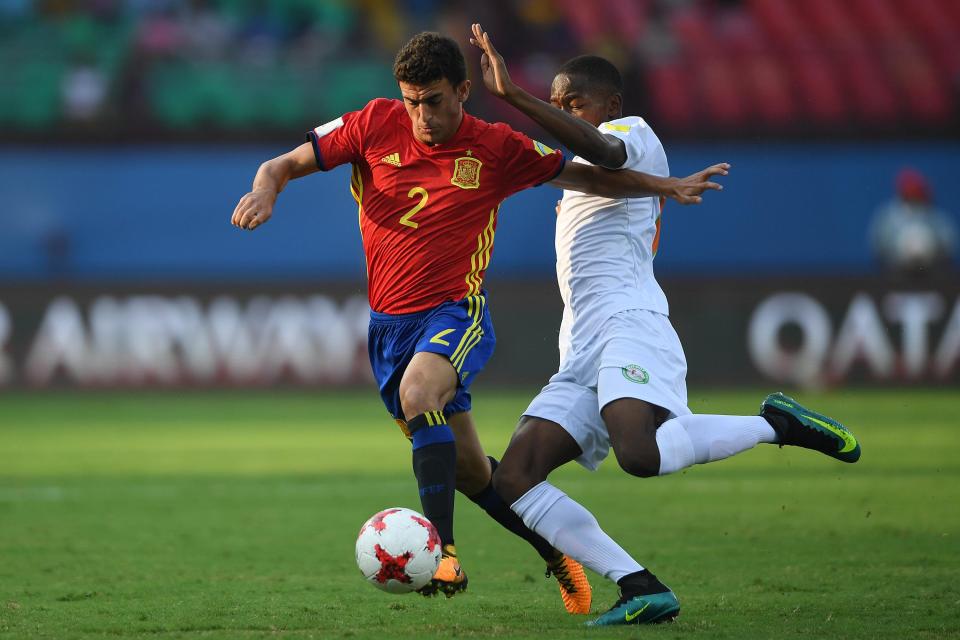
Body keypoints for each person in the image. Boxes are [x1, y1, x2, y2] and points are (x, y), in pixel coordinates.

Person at [230, 31, 727, 610]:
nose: (421, 115)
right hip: (388, 327)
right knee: (471, 473)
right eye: (412, 101)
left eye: (434, 101)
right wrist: (265, 191)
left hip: (454, 313)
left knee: (422, 393)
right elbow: (281, 163)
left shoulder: (494, 147)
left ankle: (442, 553)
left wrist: (664, 186)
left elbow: (588, 175)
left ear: (463, 91)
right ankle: (556, 554)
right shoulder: (371, 123)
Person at [468, 23, 862, 626]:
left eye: (574, 103)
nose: (568, 114)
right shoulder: (581, 172)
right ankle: (639, 584)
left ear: (612, 105)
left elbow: (604, 152)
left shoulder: (631, 134)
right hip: (580, 345)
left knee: (639, 452)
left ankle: (773, 424)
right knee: (516, 477)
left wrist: (517, 97)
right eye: (559, 105)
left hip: (631, 321)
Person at [870, 168, 957, 277]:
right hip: (896, 275)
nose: (913, 195)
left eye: (916, 191)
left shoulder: (936, 218)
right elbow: (879, 248)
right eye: (909, 191)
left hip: (931, 275)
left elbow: (949, 246)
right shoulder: (888, 218)